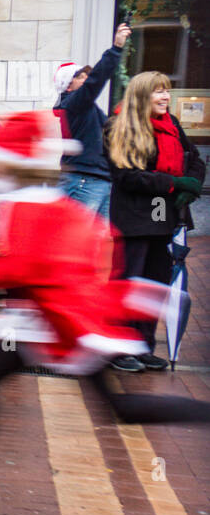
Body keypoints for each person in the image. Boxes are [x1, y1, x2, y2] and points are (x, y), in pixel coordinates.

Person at [0, 110, 209, 502]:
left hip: (66, 322)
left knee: (120, 408)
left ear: (13, 165)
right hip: (42, 318)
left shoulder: (27, 207)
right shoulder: (24, 203)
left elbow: (9, 264)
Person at [104, 70, 205, 373]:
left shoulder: (171, 125)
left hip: (164, 215)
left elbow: (195, 159)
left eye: (167, 91)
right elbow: (126, 176)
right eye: (158, 91)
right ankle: (118, 348)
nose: (165, 97)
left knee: (154, 284)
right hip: (134, 217)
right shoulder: (117, 127)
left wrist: (192, 186)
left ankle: (143, 345)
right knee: (129, 284)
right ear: (141, 95)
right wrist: (175, 185)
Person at [54, 22, 132, 216]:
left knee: (96, 242)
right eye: (81, 76)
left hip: (97, 179)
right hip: (86, 180)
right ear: (68, 85)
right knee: (77, 241)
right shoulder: (74, 103)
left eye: (86, 75)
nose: (87, 79)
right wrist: (116, 48)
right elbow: (95, 81)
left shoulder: (86, 108)